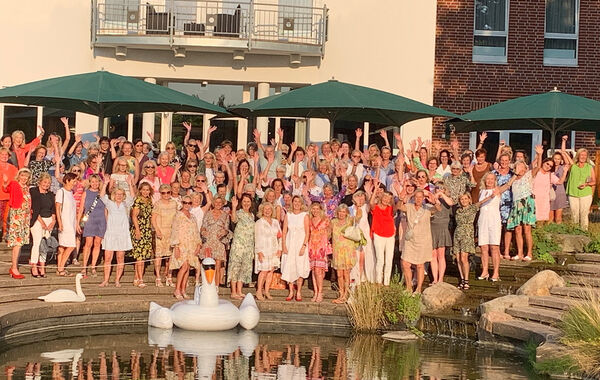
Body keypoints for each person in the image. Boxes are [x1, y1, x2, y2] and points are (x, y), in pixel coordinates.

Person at [478, 172, 516, 282]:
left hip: (494, 221)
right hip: (483, 221)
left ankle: (495, 272)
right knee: (483, 247)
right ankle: (485, 271)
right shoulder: (482, 191)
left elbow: (508, 185)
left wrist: (515, 175)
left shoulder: (497, 190)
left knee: (494, 247)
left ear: (495, 180)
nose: (489, 181)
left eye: (491, 179)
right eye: (487, 179)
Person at [399, 189, 439, 293]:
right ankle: (408, 287)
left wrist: (435, 201)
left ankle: (418, 288)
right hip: (410, 240)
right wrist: (401, 198)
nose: (418, 199)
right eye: (416, 197)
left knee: (420, 265)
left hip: (423, 240)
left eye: (420, 197)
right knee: (405, 263)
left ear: (423, 198)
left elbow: (438, 209)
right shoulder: (409, 206)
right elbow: (399, 207)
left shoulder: (428, 208)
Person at [99, 174, 135, 287]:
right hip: (110, 234)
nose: (119, 196)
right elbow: (101, 196)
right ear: (113, 195)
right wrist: (105, 183)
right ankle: (106, 280)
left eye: (121, 194)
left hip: (122, 235)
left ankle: (117, 280)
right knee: (108, 258)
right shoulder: (110, 204)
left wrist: (129, 183)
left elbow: (133, 196)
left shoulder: (125, 204)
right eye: (117, 194)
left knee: (120, 258)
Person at [170, 195, 202, 300]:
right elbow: (174, 230)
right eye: (185, 203)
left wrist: (198, 244)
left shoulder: (192, 216)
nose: (187, 205)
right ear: (182, 203)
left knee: (188, 268)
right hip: (182, 244)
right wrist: (176, 246)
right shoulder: (178, 215)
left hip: (191, 245)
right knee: (183, 267)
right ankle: (177, 290)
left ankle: (183, 290)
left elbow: (196, 231)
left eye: (189, 203)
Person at [507, 157, 539, 261]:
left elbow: (538, 167)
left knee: (527, 229)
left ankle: (529, 253)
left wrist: (539, 154)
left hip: (526, 203)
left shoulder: (528, 175)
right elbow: (508, 185)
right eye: (517, 167)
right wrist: (515, 174)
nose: (520, 169)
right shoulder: (513, 178)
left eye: (522, 167)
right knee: (517, 229)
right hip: (516, 204)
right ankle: (519, 253)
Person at [3, 168, 32, 279]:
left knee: (20, 244)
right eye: (23, 176)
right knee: (17, 243)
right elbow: (6, 189)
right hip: (17, 216)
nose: (24, 178)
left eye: (26, 176)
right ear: (19, 176)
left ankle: (14, 267)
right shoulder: (15, 184)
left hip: (25, 218)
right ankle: (14, 268)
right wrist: (5, 183)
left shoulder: (27, 188)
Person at [281, 195, 310, 302]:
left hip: (300, 244)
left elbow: (307, 232)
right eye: (295, 201)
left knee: (300, 266)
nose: (297, 203)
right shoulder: (288, 215)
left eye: (299, 202)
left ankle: (298, 292)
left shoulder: (305, 215)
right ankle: (291, 291)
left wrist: (304, 246)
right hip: (289, 243)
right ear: (292, 203)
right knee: (289, 266)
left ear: (301, 203)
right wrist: (284, 245)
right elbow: (284, 231)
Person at [227, 194, 256, 299]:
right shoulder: (239, 213)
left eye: (248, 201)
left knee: (244, 269)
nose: (246, 204)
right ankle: (233, 291)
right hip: (238, 245)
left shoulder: (252, 215)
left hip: (248, 246)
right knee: (235, 268)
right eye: (244, 201)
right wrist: (234, 207)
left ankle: (239, 291)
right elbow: (233, 219)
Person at [77, 174, 106, 277]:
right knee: (88, 243)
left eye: (97, 182)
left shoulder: (102, 193)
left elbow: (106, 209)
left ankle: (93, 266)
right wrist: (78, 222)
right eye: (93, 182)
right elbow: (81, 209)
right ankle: (84, 266)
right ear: (90, 182)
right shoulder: (86, 193)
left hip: (100, 220)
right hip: (90, 219)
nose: (95, 184)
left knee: (97, 243)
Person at [200, 196, 232, 288]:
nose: (218, 204)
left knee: (218, 265)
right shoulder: (208, 214)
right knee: (208, 264)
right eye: (216, 202)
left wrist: (224, 232)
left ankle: (216, 287)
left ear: (222, 204)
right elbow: (203, 226)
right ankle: (207, 285)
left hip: (219, 241)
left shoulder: (225, 215)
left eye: (220, 202)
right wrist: (203, 232)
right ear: (213, 203)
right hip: (209, 240)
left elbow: (226, 229)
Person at [367, 188, 396, 286]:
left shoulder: (390, 209)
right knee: (380, 259)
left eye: (389, 198)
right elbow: (371, 203)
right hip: (379, 235)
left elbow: (396, 209)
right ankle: (378, 281)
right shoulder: (375, 207)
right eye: (385, 197)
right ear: (381, 197)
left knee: (389, 260)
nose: (386, 199)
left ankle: (386, 282)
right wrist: (375, 190)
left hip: (390, 236)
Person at [152, 184, 179, 287]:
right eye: (163, 193)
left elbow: (177, 218)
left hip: (171, 232)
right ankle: (158, 277)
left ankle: (169, 277)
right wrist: (157, 230)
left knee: (170, 256)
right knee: (159, 255)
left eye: (168, 192)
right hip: (161, 232)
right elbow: (153, 219)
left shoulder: (174, 203)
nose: (166, 195)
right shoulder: (158, 204)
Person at [29, 173, 56, 278]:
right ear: (40, 182)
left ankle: (42, 266)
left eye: (48, 183)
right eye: (45, 182)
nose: (46, 184)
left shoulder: (50, 194)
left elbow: (53, 209)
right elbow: (34, 209)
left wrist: (53, 221)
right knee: (37, 243)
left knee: (44, 245)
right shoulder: (34, 192)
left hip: (49, 219)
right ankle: (34, 265)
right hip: (37, 220)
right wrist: (42, 222)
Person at [254, 202, 282, 300]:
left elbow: (280, 236)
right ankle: (259, 291)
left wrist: (280, 249)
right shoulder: (259, 222)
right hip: (263, 249)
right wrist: (258, 251)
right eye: (265, 209)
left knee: (271, 271)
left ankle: (266, 291)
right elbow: (257, 237)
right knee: (264, 271)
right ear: (262, 211)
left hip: (273, 249)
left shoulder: (275, 222)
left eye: (269, 209)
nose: (267, 211)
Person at [331, 204, 357, 303]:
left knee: (346, 273)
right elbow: (328, 232)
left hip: (347, 250)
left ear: (346, 212)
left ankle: (346, 294)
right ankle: (341, 293)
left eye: (343, 211)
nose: (341, 214)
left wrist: (357, 205)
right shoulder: (333, 222)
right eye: (340, 211)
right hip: (337, 251)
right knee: (339, 274)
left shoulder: (350, 220)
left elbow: (358, 217)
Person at [130, 182, 154, 288]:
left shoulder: (149, 201)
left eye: (147, 190)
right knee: (139, 256)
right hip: (139, 229)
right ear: (140, 190)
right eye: (143, 190)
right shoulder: (138, 201)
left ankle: (136, 277)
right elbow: (134, 216)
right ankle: (140, 279)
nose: (145, 192)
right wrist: (137, 230)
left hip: (147, 230)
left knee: (142, 257)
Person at [567, 148, 596, 230]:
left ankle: (584, 231)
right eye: (581, 155)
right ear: (578, 156)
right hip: (573, 193)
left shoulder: (589, 167)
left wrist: (586, 184)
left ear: (587, 157)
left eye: (585, 155)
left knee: (584, 213)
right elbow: (564, 153)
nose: (583, 157)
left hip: (585, 193)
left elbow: (594, 181)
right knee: (574, 213)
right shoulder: (573, 166)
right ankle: (574, 230)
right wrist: (564, 141)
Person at [430, 183, 453, 284]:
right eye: (437, 188)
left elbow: (451, 203)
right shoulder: (431, 200)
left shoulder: (447, 200)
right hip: (432, 228)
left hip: (443, 228)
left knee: (441, 255)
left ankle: (441, 278)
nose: (439, 190)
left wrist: (442, 194)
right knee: (433, 255)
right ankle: (435, 278)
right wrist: (434, 198)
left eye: (441, 188)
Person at [492, 153, 514, 260]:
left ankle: (506, 251)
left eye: (506, 160)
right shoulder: (494, 174)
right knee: (498, 228)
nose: (504, 162)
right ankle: (497, 250)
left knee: (508, 228)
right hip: (496, 204)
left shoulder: (513, 174)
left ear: (509, 161)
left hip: (509, 204)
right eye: (502, 160)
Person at [307, 202, 331, 303]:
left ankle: (320, 292)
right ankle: (316, 292)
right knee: (313, 271)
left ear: (320, 210)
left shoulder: (325, 220)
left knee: (319, 271)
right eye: (313, 209)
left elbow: (329, 232)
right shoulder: (309, 220)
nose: (315, 211)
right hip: (312, 247)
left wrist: (325, 245)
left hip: (321, 247)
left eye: (317, 209)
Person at [55, 172, 78, 276]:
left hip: (71, 222)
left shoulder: (71, 193)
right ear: (68, 180)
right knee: (70, 245)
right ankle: (61, 268)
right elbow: (58, 208)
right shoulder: (61, 192)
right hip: (65, 222)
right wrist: (60, 223)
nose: (75, 183)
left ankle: (60, 268)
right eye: (73, 181)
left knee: (63, 246)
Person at [349, 191, 374, 283]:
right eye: (358, 196)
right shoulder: (350, 209)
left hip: (365, 235)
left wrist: (370, 191)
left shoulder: (365, 207)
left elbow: (371, 202)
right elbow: (354, 220)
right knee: (357, 257)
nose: (360, 198)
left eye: (362, 196)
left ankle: (365, 276)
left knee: (365, 256)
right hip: (355, 236)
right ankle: (357, 277)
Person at [550, 135, 572, 223]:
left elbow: (568, 161)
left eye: (558, 159)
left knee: (558, 218)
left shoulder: (563, 168)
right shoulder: (548, 167)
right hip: (550, 193)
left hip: (560, 192)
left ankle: (558, 235)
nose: (556, 160)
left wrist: (563, 142)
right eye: (555, 158)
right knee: (549, 217)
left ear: (561, 160)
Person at [0, 148, 17, 240]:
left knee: (7, 217)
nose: (4, 156)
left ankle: (5, 234)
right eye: (2, 154)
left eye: (6, 155)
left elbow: (16, 182)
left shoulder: (13, 168)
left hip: (9, 196)